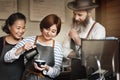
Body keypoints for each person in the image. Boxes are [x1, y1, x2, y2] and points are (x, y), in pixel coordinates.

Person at [4, 14, 63, 80]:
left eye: (53, 31)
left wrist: (46, 68)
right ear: (42, 27)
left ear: (56, 33)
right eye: (47, 29)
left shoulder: (57, 47)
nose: (49, 33)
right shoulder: (29, 40)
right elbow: (6, 58)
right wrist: (22, 48)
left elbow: (57, 72)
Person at [0, 12, 26, 80]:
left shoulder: (25, 43)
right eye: (18, 28)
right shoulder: (1, 41)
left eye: (23, 28)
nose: (21, 31)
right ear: (9, 27)